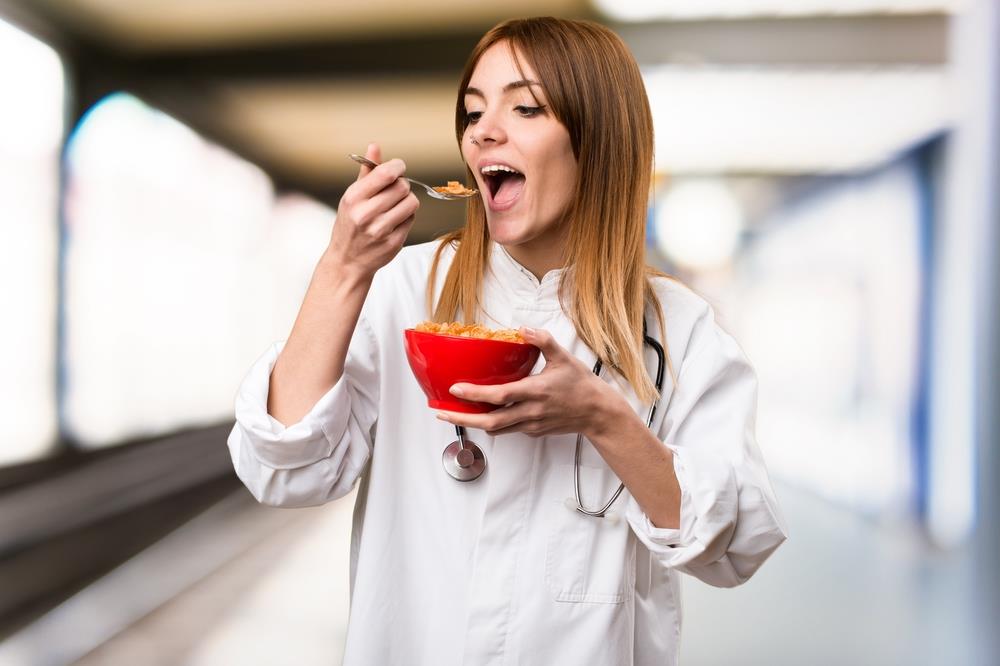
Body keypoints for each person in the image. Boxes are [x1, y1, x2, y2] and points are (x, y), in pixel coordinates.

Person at [227, 16, 787, 666]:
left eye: (524, 107)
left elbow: (736, 545)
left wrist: (605, 420)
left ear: (598, 138)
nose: (483, 130)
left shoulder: (677, 329)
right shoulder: (407, 286)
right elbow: (280, 471)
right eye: (472, 111)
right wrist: (343, 270)